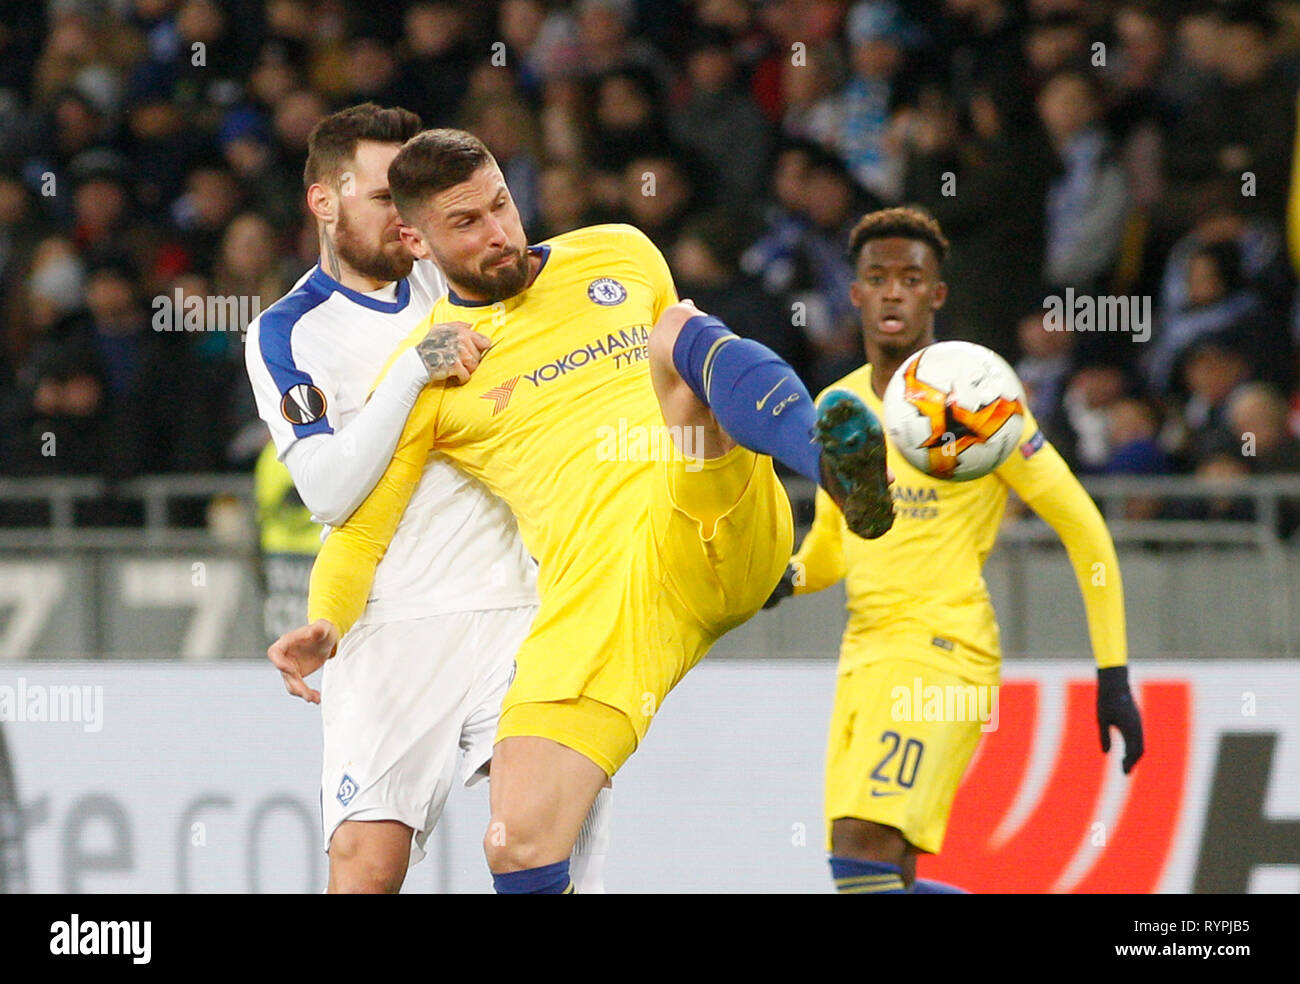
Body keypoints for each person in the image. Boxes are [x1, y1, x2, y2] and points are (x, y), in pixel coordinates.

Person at [271, 127, 896, 893]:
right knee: (517, 842)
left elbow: (712, 371)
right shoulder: (433, 365)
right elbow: (360, 528)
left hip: (700, 508)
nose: (499, 233)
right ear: (415, 239)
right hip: (604, 600)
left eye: (501, 204)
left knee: (678, 332)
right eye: (466, 223)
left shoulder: (618, 252)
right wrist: (327, 622)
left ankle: (835, 466)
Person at [245, 104, 610, 893]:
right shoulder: (290, 333)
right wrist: (415, 368)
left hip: (519, 605)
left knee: (536, 839)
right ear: (324, 201)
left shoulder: (467, 278)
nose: (406, 220)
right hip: (389, 626)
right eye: (384, 198)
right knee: (364, 871)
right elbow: (330, 490)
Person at [764, 207, 1145, 893]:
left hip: (941, 652)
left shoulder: (980, 401)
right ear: (855, 293)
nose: (893, 292)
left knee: (858, 852)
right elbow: (831, 547)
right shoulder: (838, 405)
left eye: (911, 279)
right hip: (865, 657)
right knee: (880, 878)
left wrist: (1113, 673)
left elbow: (1083, 528)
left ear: (936, 295)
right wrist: (781, 578)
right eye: (877, 278)